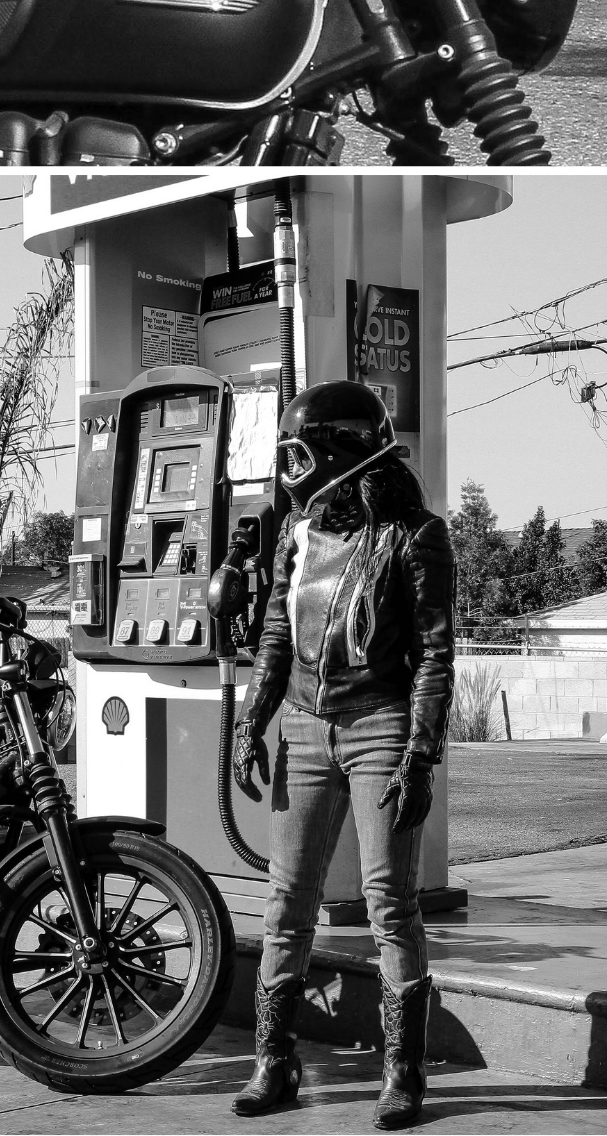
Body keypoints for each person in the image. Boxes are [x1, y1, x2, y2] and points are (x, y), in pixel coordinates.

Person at [229, 381, 455, 1130]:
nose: (288, 468)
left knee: (390, 902)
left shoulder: (416, 534)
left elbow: (432, 655)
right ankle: (274, 1061)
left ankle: (404, 1073)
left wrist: (418, 756)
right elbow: (272, 633)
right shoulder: (297, 531)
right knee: (287, 900)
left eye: (298, 452)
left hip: (378, 727)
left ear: (340, 451)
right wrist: (251, 721)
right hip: (300, 725)